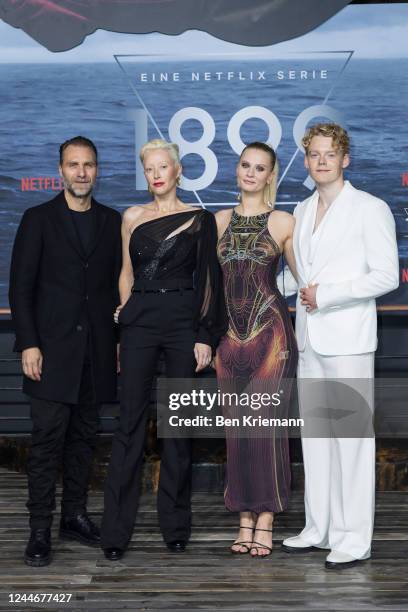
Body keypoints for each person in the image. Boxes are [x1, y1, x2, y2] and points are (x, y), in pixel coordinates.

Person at [101, 138, 227, 560]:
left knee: (178, 428)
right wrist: (125, 313)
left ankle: (175, 526)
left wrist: (204, 336)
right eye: (149, 168)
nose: (156, 174)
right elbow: (126, 271)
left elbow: (209, 280)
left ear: (178, 171)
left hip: (180, 322)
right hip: (138, 321)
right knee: (128, 426)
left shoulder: (199, 218)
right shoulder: (131, 216)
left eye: (162, 167)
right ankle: (115, 533)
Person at [282, 123, 399, 569]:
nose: (322, 161)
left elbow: (386, 276)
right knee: (315, 438)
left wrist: (327, 295)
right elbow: (297, 275)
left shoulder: (371, 208)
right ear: (307, 160)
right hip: (308, 338)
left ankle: (353, 539)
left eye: (330, 153)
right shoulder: (302, 207)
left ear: (345, 159)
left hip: (348, 338)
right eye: (314, 154)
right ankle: (320, 527)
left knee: (350, 439)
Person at [9, 136, 122, 567]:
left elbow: (116, 288)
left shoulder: (112, 222)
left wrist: (115, 345)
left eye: (88, 165)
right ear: (60, 170)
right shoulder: (38, 219)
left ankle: (74, 516)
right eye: (73, 165)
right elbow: (21, 289)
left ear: (97, 169)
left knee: (83, 441)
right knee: (46, 444)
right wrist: (30, 343)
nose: (81, 172)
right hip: (50, 353)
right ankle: (40, 529)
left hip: (96, 353)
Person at [215, 142, 298, 557]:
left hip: (273, 336)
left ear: (270, 176)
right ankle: (242, 517)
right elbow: (210, 288)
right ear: (238, 170)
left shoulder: (284, 221)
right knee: (237, 431)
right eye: (245, 165)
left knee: (265, 429)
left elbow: (307, 279)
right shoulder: (218, 221)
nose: (251, 172)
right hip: (228, 339)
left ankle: (266, 517)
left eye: (260, 168)